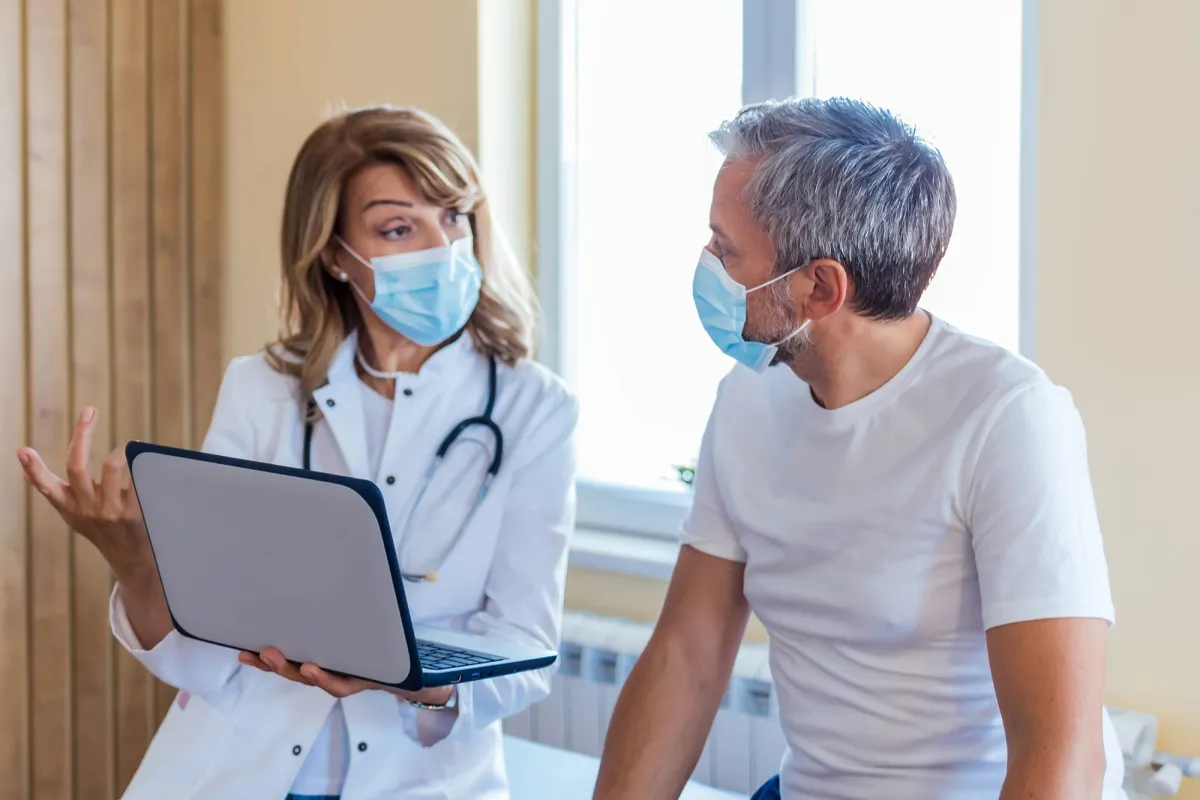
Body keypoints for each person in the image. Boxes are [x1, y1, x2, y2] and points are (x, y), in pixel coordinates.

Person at [17, 105, 578, 799]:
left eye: (455, 215)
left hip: (421, 781)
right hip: (236, 769)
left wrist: (410, 682)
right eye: (399, 228)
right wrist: (132, 561)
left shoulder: (535, 409)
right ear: (336, 255)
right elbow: (202, 646)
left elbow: (525, 649)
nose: (444, 247)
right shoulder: (262, 389)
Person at [593, 97, 1125, 800]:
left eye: (726, 250)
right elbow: (687, 653)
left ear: (819, 287)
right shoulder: (747, 398)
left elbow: (1060, 755)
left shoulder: (1008, 417)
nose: (707, 266)